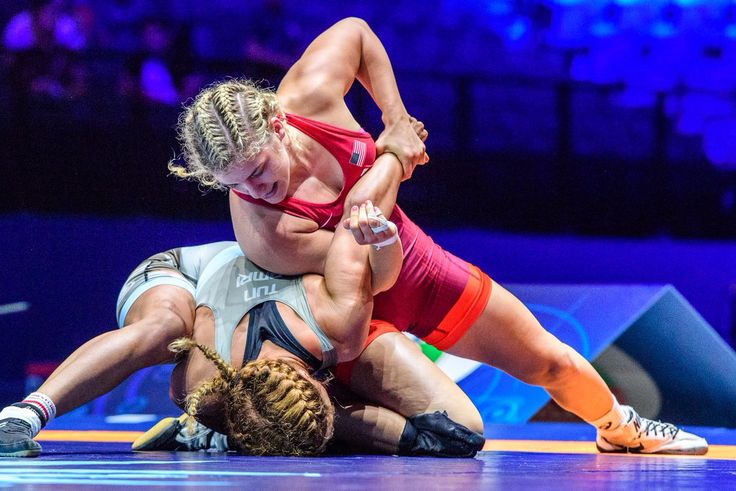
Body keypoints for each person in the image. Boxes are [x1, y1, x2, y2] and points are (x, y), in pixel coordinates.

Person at [169, 17, 707, 455]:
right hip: (351, 317)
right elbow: (371, 261)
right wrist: (396, 151)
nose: (257, 191)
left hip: (411, 260)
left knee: (549, 360)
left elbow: (357, 32)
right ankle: (236, 424)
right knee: (456, 432)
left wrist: (394, 115)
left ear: (278, 125)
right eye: (236, 185)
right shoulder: (265, 230)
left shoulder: (307, 96)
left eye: (259, 170)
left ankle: (620, 427)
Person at [0, 155, 483, 457]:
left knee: (168, 335)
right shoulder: (336, 327)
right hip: (209, 282)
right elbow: (372, 254)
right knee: (165, 330)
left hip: (208, 283)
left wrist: (391, 175)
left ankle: (29, 414)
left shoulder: (207, 392)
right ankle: (29, 412)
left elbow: (374, 250)